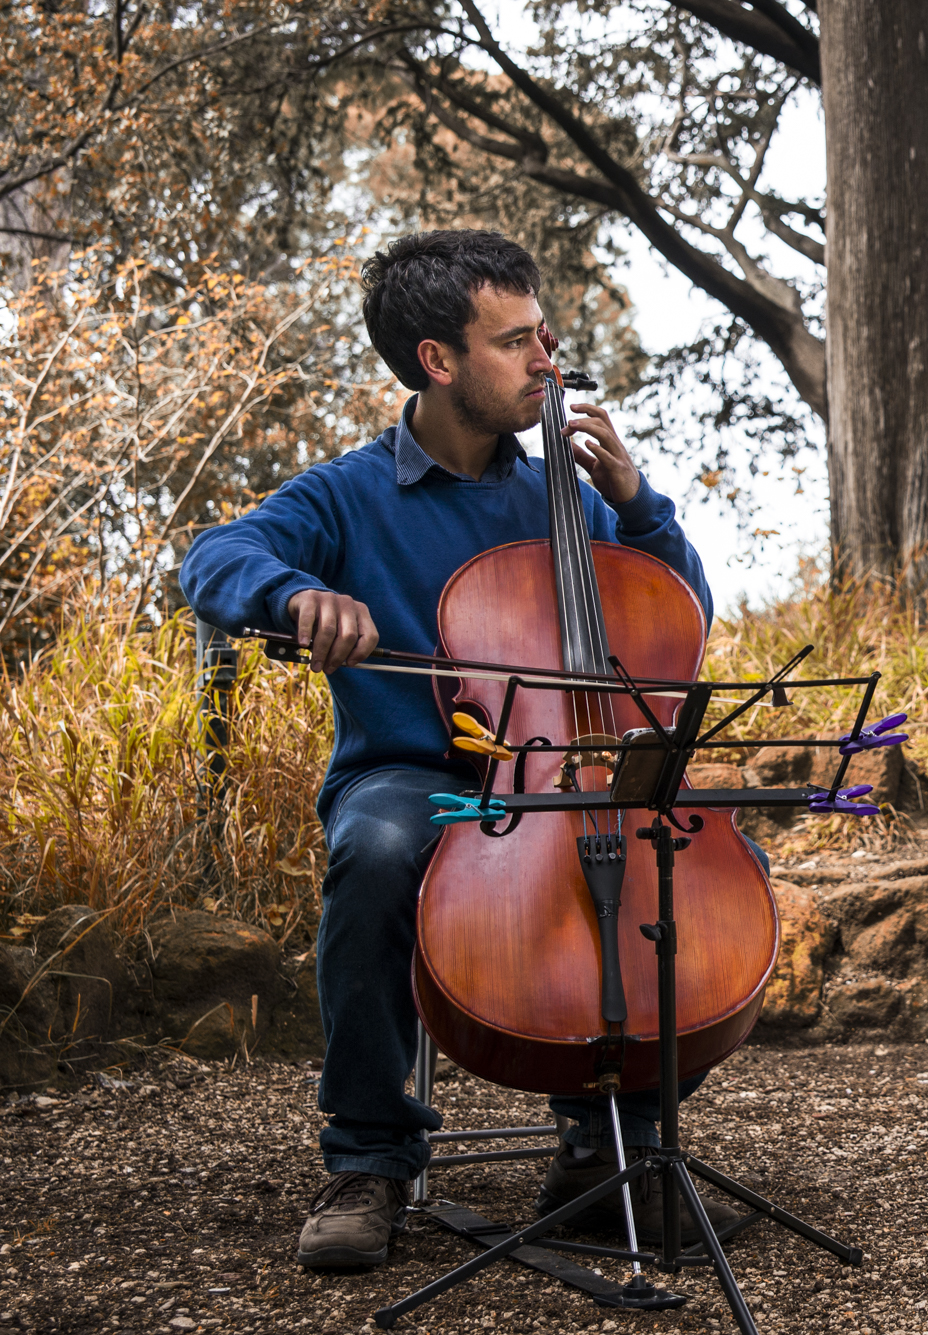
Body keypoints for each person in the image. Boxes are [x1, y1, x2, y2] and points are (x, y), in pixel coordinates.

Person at [179, 229, 744, 1269]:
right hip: (417, 772)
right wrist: (294, 593)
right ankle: (368, 1160)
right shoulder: (348, 495)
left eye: (546, 338)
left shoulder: (567, 498)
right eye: (517, 342)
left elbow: (675, 623)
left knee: (711, 867)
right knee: (378, 852)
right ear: (439, 361)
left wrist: (636, 504)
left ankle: (599, 1148)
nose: (547, 363)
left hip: (567, 764)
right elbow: (216, 556)